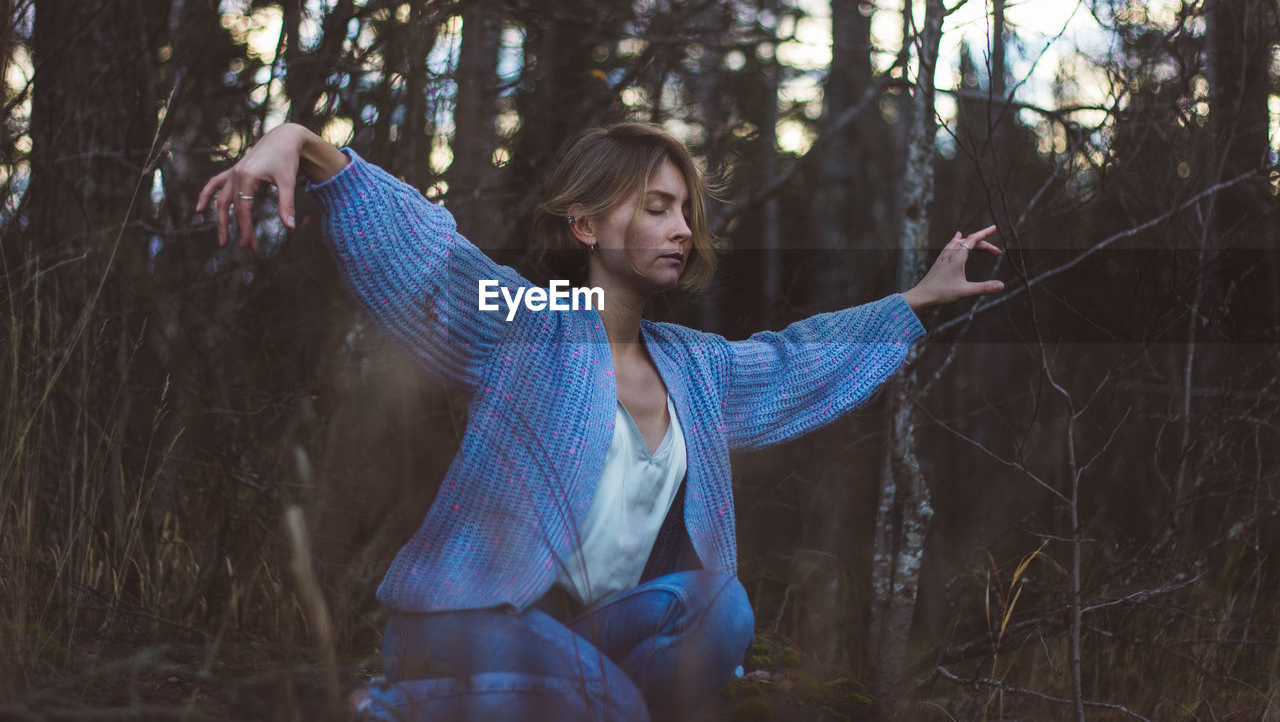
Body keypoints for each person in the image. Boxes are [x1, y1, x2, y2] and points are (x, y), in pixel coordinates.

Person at [196, 121, 1003, 721]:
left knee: (723, 610)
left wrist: (916, 303)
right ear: (584, 225)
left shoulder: (695, 365)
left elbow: (796, 360)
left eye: (685, 210)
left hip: (586, 632)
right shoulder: (531, 322)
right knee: (607, 702)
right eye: (656, 207)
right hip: (468, 620)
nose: (682, 228)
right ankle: (391, 708)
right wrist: (301, 145)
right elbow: (430, 257)